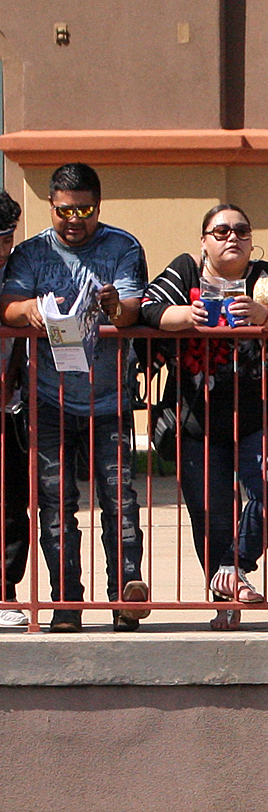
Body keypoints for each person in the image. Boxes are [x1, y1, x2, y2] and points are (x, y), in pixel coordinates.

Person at [141, 203, 268, 629]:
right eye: (221, 231)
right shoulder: (186, 272)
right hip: (196, 420)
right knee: (211, 516)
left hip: (261, 413)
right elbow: (149, 308)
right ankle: (226, 600)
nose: (232, 238)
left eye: (241, 231)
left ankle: (233, 565)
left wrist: (267, 316)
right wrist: (184, 317)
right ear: (204, 241)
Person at [0, 162, 149, 632]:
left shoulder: (123, 246)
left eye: (83, 209)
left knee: (119, 502)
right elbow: (7, 303)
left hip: (110, 401)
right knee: (54, 505)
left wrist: (115, 307)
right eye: (64, 210)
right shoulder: (30, 253)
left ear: (98, 206)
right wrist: (31, 311)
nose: (73, 219)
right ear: (51, 206)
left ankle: (125, 595)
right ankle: (66, 603)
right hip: (47, 399)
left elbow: (131, 311)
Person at [0, 191, 29, 628]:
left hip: (10, 405)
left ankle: (4, 596)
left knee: (9, 504)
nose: (2, 248)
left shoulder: (21, 269)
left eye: (6, 237)